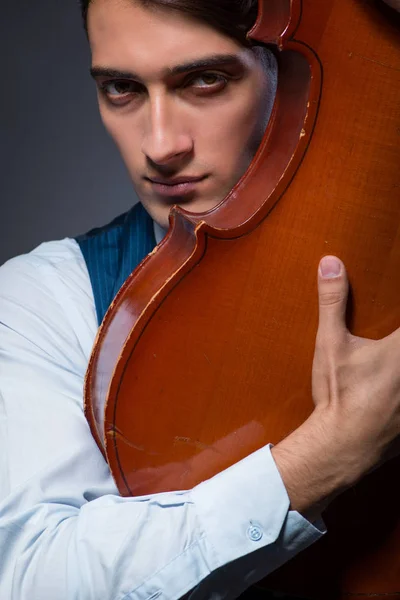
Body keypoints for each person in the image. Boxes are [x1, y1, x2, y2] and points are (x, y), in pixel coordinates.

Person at [0, 0, 399, 598]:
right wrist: (331, 453)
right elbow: (34, 578)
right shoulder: (46, 297)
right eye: (121, 88)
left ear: (287, 69)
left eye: (205, 79)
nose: (160, 146)